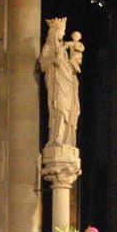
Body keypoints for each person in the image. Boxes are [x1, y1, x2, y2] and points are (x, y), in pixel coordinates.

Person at [39, 17, 81, 147]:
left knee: (69, 112)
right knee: (60, 109)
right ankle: (57, 137)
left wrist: (73, 64)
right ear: (54, 32)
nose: (63, 33)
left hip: (67, 84)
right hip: (57, 85)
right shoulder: (48, 47)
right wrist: (52, 61)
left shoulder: (63, 48)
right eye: (61, 31)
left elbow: (68, 64)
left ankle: (66, 140)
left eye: (63, 31)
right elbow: (42, 65)